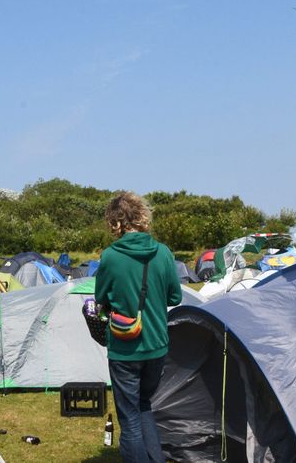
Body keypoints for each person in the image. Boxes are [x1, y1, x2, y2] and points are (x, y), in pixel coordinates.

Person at [94, 192, 182, 462]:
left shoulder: (110, 257)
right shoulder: (164, 253)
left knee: (130, 417)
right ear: (142, 216)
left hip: (124, 348)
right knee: (144, 406)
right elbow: (175, 297)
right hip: (156, 345)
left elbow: (101, 300)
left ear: (115, 222)